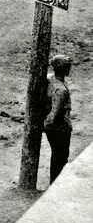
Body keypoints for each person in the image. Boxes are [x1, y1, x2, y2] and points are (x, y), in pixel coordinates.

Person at [44, 54, 73, 185]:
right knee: (60, 158)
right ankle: (55, 184)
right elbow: (54, 113)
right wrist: (47, 125)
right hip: (60, 127)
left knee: (57, 156)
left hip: (54, 128)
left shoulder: (50, 79)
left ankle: (54, 183)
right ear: (65, 69)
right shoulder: (61, 90)